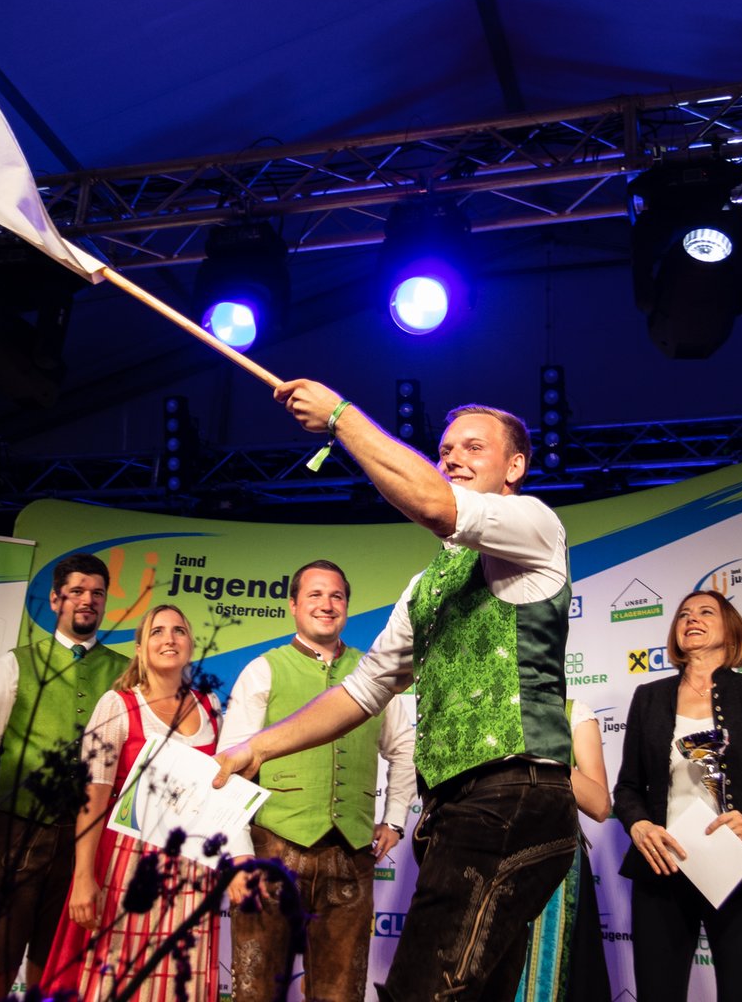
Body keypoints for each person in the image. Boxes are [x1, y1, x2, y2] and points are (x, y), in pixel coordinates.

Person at [217, 383, 578, 1001]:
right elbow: (363, 689)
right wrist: (257, 748)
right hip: (457, 807)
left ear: (515, 467)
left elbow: (437, 504)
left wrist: (340, 417)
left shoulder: (535, 523)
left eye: (474, 447)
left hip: (513, 794)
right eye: (445, 449)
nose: (453, 457)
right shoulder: (426, 584)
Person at [219, 559, 416, 1002]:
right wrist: (239, 855)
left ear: (346, 606)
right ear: (293, 605)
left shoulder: (374, 672)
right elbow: (229, 769)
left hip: (351, 856)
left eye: (336, 596)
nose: (327, 604)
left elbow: (404, 748)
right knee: (255, 990)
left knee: (340, 993)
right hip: (271, 852)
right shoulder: (263, 670)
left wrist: (395, 818)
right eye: (315, 595)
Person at [612, 590, 742, 1002]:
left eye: (706, 612)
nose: (692, 619)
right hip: (663, 872)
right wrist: (638, 824)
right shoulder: (648, 697)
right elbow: (627, 787)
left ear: (731, 628)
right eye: (683, 614)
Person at [40, 604, 247, 1002]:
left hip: (191, 868)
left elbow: (220, 791)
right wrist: (83, 876)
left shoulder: (210, 707)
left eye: (178, 631)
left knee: (178, 981)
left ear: (191, 644)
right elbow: (92, 799)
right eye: (157, 631)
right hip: (127, 863)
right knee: (116, 978)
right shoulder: (117, 705)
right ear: (139, 648)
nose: (169, 639)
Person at [0, 553, 126, 1001]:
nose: (87, 600)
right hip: (12, 836)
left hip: (87, 847)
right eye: (77, 591)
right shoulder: (17, 663)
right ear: (55, 600)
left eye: (97, 593)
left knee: (58, 979)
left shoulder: (126, 673)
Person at [514, 701, 612, 1002]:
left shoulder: (573, 712)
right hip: (483, 863)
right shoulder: (477, 710)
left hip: (554, 870)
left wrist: (542, 756)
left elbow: (600, 805)